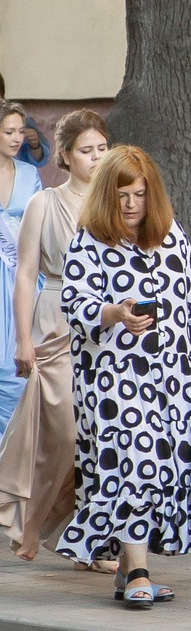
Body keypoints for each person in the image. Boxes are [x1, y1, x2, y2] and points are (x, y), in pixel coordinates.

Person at [54, 147, 191, 607]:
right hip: (112, 379)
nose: (132, 204)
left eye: (140, 194)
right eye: (123, 194)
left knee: (160, 467)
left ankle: (130, 572)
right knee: (132, 464)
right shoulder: (89, 240)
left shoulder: (171, 236)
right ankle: (140, 572)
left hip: (168, 376)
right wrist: (115, 313)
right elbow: (75, 304)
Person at [0, 111, 112, 563]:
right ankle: (39, 520)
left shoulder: (118, 201)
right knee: (64, 433)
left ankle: (93, 536)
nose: (98, 158)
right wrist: (23, 340)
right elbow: (26, 276)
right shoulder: (44, 204)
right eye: (87, 151)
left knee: (104, 437)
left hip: (109, 328)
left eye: (103, 148)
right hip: (57, 321)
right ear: (65, 156)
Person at [0, 103, 41, 437]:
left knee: (20, 368)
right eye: (8, 131)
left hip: (23, 279)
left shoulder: (30, 174)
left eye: (19, 131)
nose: (17, 138)